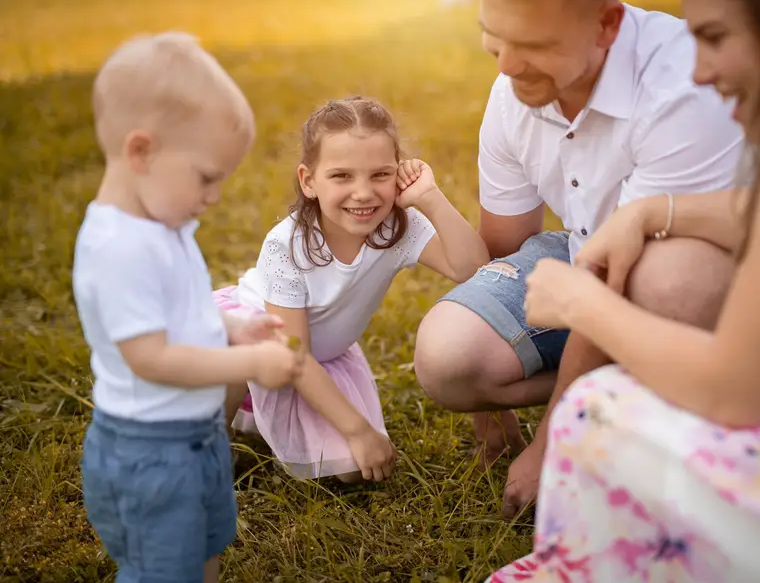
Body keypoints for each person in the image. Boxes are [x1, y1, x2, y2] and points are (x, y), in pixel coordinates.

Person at [488, 0, 760, 579]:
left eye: (714, 38)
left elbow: (736, 388)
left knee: (593, 410)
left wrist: (583, 303)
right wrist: (655, 212)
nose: (701, 71)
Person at [413, 0, 744, 516]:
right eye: (493, 38)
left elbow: (619, 275)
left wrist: (552, 443)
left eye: (534, 44)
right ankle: (628, 392)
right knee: (448, 358)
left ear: (607, 26)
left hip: (697, 273)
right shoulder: (514, 87)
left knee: (668, 281)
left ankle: (636, 405)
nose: (510, 65)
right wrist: (485, 396)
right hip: (583, 253)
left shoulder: (684, 84)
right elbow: (504, 245)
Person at [73, 33, 304, 583]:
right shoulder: (119, 248)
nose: (215, 196)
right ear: (141, 152)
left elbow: (178, 311)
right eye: (206, 177)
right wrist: (248, 367)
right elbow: (152, 358)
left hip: (194, 436)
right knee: (162, 569)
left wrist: (231, 328)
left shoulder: (161, 223)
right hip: (149, 453)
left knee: (204, 549)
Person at [213, 96, 490, 483]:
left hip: (322, 356)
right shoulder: (286, 246)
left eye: (380, 175)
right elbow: (294, 354)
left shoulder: (399, 227)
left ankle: (267, 416)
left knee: (353, 474)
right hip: (269, 341)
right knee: (237, 347)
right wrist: (358, 431)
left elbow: (473, 269)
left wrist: (429, 197)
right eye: (342, 176)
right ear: (309, 181)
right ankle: (212, 439)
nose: (363, 193)